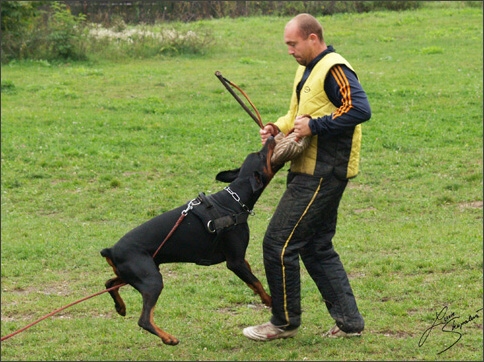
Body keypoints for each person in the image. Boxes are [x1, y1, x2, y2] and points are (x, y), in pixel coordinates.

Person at [243, 13, 371, 341]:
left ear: (312, 38)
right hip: (309, 168)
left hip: (324, 171)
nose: (289, 50)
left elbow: (359, 109)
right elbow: (298, 114)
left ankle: (283, 322)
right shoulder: (306, 69)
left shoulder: (335, 68)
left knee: (278, 243)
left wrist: (315, 126)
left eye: (292, 43)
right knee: (316, 246)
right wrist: (278, 127)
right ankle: (350, 323)